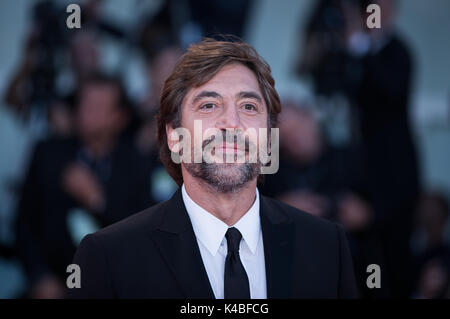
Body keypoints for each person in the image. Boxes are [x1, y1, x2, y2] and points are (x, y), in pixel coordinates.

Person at [70, 38, 357, 299]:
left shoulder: (327, 247)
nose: (231, 122)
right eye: (208, 105)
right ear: (174, 136)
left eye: (248, 106)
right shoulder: (109, 257)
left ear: (269, 139)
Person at [15, 73, 152, 298]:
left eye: (97, 107)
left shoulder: (137, 163)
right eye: (83, 103)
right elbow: (24, 223)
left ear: (119, 117)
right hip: (51, 282)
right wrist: (39, 278)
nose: (85, 112)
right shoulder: (48, 153)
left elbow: (141, 236)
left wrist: (98, 200)